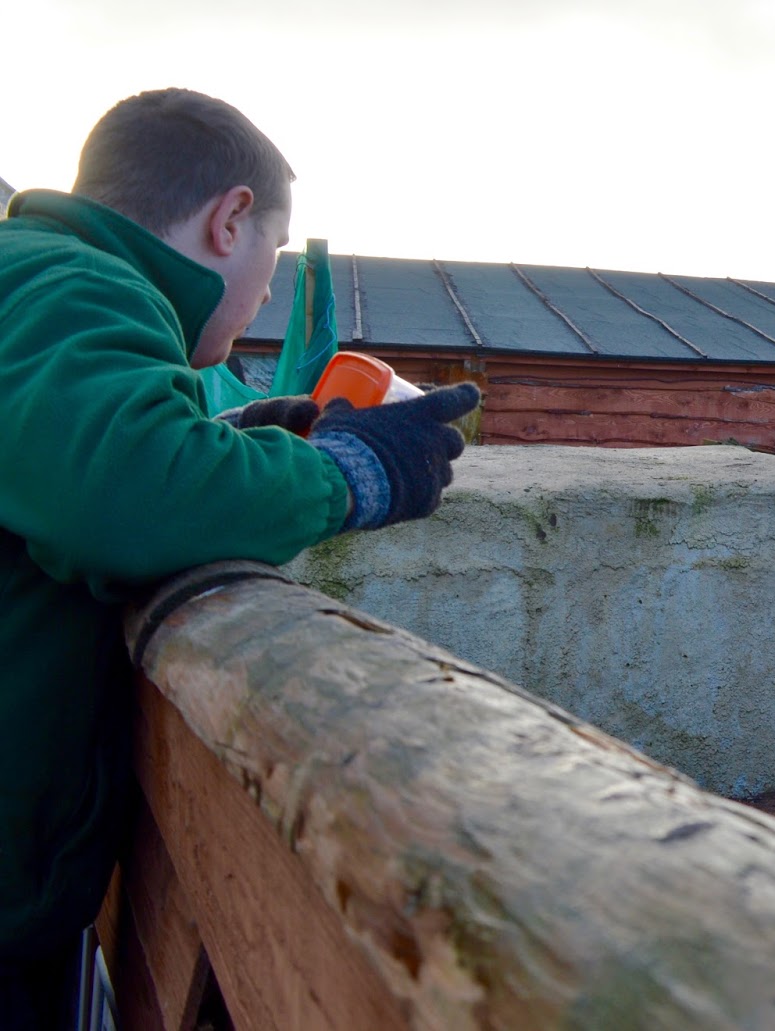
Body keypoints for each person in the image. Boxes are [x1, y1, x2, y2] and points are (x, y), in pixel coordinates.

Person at [0, 88, 480, 1027]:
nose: (265, 294)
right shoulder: (74, 286)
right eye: (272, 257)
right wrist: (353, 473)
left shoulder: (41, 282)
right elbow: (125, 495)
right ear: (230, 221)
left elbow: (58, 467)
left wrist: (232, 436)